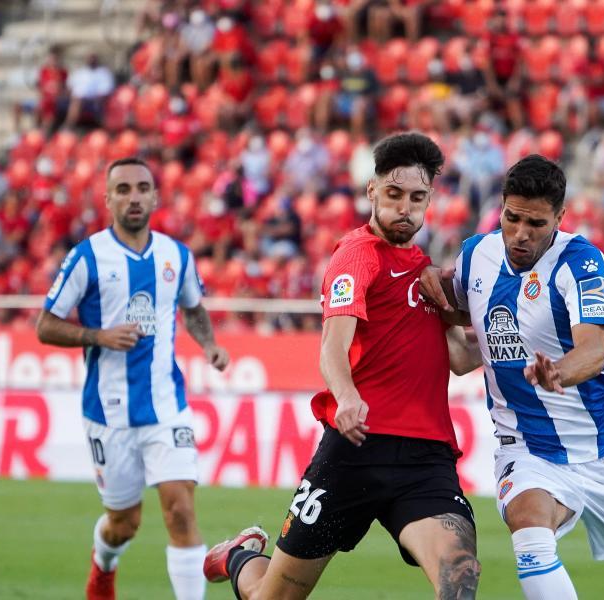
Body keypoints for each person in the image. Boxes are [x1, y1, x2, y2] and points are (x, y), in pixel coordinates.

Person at [203, 132, 482, 600]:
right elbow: (333, 346)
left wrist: (511, 334)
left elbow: (458, 358)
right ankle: (240, 555)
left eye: (417, 197)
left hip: (424, 458)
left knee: (460, 573)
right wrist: (349, 397)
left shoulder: (424, 269)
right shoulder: (356, 257)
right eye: (394, 194)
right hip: (355, 450)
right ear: (372, 191)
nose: (405, 208)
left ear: (430, 198)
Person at [421, 155, 604, 600]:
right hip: (525, 446)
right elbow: (464, 358)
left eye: (535, 224)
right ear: (500, 208)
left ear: (559, 217)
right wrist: (432, 308)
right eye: (512, 218)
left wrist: (556, 372)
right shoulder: (475, 257)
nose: (520, 234)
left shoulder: (581, 262)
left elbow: (594, 350)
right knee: (528, 524)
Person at [36, 157, 230, 600]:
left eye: (142, 187)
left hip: (166, 406)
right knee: (124, 524)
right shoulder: (86, 257)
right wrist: (97, 335)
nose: (134, 196)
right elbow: (45, 325)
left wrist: (210, 345)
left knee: (180, 510)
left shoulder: (175, 255)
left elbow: (194, 308)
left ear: (156, 196)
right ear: (107, 200)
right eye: (123, 189)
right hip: (108, 413)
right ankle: (103, 563)